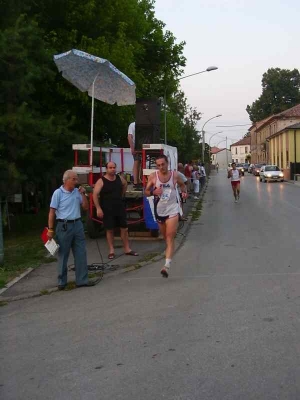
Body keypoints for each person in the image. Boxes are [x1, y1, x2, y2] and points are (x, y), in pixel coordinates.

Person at [47, 170, 95, 290]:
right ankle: (62, 281)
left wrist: (83, 194)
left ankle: (82, 280)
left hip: (77, 223)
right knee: (63, 253)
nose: (76, 181)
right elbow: (52, 212)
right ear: (67, 180)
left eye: (76, 179)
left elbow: (84, 207)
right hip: (64, 225)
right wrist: (50, 229)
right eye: (74, 179)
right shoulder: (58, 193)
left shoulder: (77, 192)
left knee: (80, 252)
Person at [145, 155, 187, 278]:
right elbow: (146, 192)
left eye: (163, 164)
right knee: (166, 238)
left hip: (172, 209)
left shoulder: (175, 175)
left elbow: (183, 185)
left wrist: (184, 192)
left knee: (170, 236)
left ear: (167, 163)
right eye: (158, 165)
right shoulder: (153, 176)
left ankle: (166, 266)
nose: (161, 167)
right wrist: (153, 192)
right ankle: (169, 252)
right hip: (160, 210)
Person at [93, 161, 138, 259]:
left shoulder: (119, 178)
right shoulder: (101, 181)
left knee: (124, 229)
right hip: (107, 209)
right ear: (106, 169)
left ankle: (127, 249)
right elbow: (95, 195)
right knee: (110, 230)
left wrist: (122, 195)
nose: (113, 169)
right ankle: (111, 250)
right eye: (110, 167)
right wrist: (98, 208)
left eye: (114, 167)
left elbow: (125, 184)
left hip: (119, 207)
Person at [127, 122, 142, 189]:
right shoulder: (133, 124)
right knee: (137, 162)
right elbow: (129, 136)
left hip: (142, 145)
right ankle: (136, 182)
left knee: (140, 163)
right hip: (136, 146)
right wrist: (132, 148)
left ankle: (139, 180)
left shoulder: (144, 124)